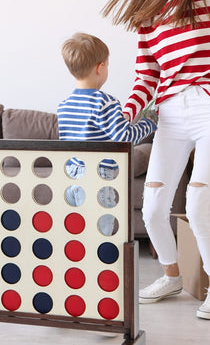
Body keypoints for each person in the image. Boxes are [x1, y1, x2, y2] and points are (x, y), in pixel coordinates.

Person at [102, 0, 210, 320]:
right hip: (169, 116)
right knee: (151, 210)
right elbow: (146, 76)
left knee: (199, 206)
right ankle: (172, 277)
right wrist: (128, 111)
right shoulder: (150, 14)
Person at [57, 32, 157, 225]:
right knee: (103, 225)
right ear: (100, 68)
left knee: (78, 225)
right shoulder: (106, 102)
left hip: (71, 175)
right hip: (99, 175)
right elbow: (124, 137)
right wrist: (149, 122)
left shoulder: (64, 105)